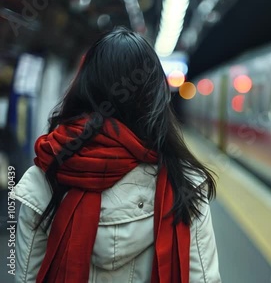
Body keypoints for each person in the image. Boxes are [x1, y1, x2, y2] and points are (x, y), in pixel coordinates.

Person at [13, 27, 220, 283]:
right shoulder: (184, 183)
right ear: (155, 97)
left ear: (83, 87)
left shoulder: (45, 174)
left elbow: (27, 277)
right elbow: (203, 278)